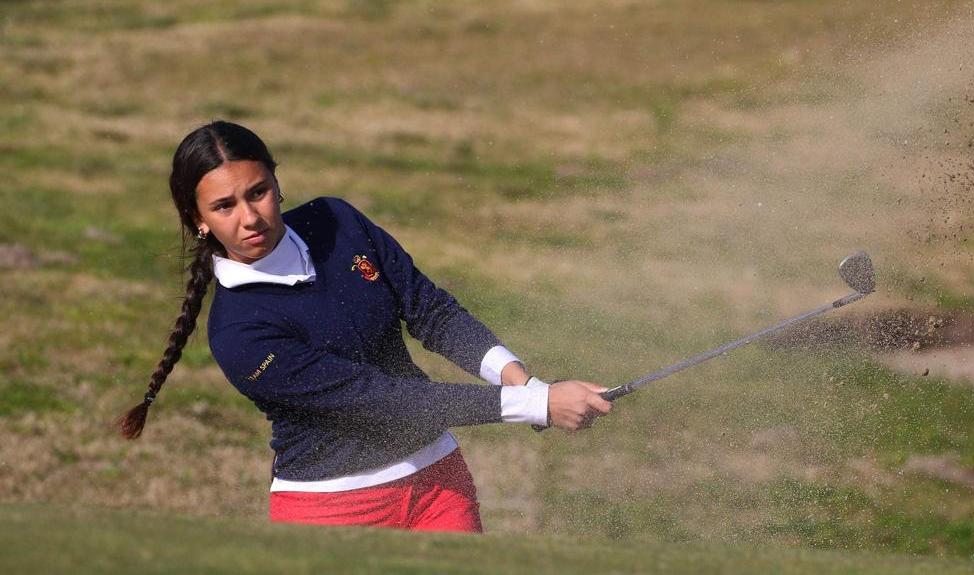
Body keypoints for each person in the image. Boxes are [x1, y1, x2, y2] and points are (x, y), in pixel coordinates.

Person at [117, 120, 613, 533]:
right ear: (197, 219)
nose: (250, 217)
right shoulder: (239, 335)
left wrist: (517, 377)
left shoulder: (336, 221)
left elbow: (429, 310)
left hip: (439, 484)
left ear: (276, 182)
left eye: (259, 192)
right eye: (224, 206)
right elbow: (385, 400)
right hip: (333, 515)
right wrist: (537, 405)